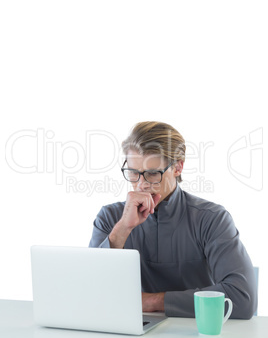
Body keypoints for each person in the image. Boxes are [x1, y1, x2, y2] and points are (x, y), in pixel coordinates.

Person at [89, 121, 257, 319]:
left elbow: (243, 299)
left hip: (197, 335)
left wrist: (152, 302)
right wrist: (123, 228)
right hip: (131, 333)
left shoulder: (211, 219)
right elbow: (89, 292)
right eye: (133, 172)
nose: (141, 184)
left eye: (152, 173)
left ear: (178, 167)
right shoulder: (110, 219)